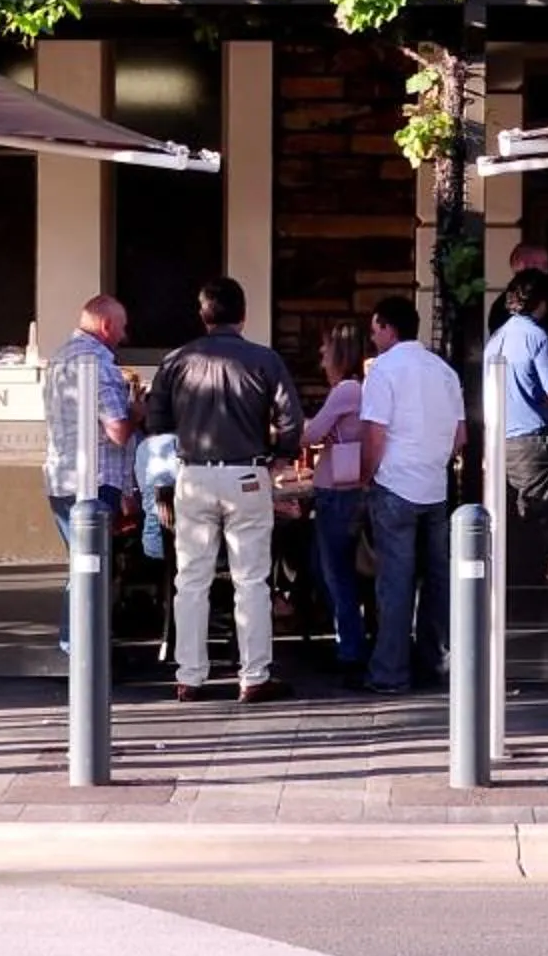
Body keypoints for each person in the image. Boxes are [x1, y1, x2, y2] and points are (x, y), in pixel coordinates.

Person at [144, 276, 303, 705]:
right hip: (247, 474)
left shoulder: (177, 360)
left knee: (190, 579)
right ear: (243, 315)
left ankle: (189, 675)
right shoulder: (264, 361)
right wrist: (280, 458)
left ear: (203, 315)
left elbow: (156, 423)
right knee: (251, 579)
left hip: (193, 473)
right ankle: (253, 675)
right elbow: (292, 419)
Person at [359, 293, 468, 697]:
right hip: (435, 487)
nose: (373, 338)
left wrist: (365, 478)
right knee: (438, 580)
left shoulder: (383, 371)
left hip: (394, 484)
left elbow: (374, 435)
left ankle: (389, 672)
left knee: (396, 582)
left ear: (387, 327)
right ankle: (434, 663)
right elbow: (461, 437)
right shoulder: (444, 371)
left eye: (374, 329)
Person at [41, 295, 138, 651]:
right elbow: (117, 430)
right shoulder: (98, 362)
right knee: (91, 568)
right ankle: (83, 650)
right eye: (122, 327)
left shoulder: (59, 357)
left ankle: (81, 646)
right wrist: (137, 412)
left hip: (59, 476)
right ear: (106, 325)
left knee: (81, 563)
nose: (124, 335)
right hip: (94, 479)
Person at [482, 275, 548, 573]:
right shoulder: (537, 336)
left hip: (498, 442)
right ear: (541, 302)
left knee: (509, 520)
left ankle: (511, 591)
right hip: (530, 443)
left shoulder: (496, 339)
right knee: (535, 521)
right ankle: (532, 592)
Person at [299, 320, 368, 682]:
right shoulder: (363, 388)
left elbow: (310, 433)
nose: (321, 356)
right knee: (332, 569)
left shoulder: (346, 390)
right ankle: (351, 640)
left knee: (334, 573)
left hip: (336, 491)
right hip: (350, 487)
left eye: (326, 348)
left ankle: (350, 647)